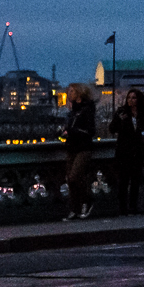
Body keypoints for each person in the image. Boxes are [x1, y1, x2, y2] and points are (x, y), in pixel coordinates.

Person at [111, 88, 144, 216]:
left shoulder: (143, 113)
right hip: (124, 151)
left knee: (135, 181)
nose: (131, 100)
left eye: (133, 98)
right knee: (123, 181)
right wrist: (120, 120)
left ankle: (133, 207)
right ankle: (123, 208)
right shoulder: (122, 112)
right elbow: (112, 128)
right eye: (129, 98)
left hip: (138, 151)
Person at [62, 83, 98, 220]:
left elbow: (90, 131)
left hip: (83, 147)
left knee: (74, 177)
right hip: (72, 147)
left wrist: (71, 131)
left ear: (79, 93)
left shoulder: (86, 109)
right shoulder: (73, 111)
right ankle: (74, 209)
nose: (69, 94)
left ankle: (87, 201)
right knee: (70, 180)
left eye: (71, 91)